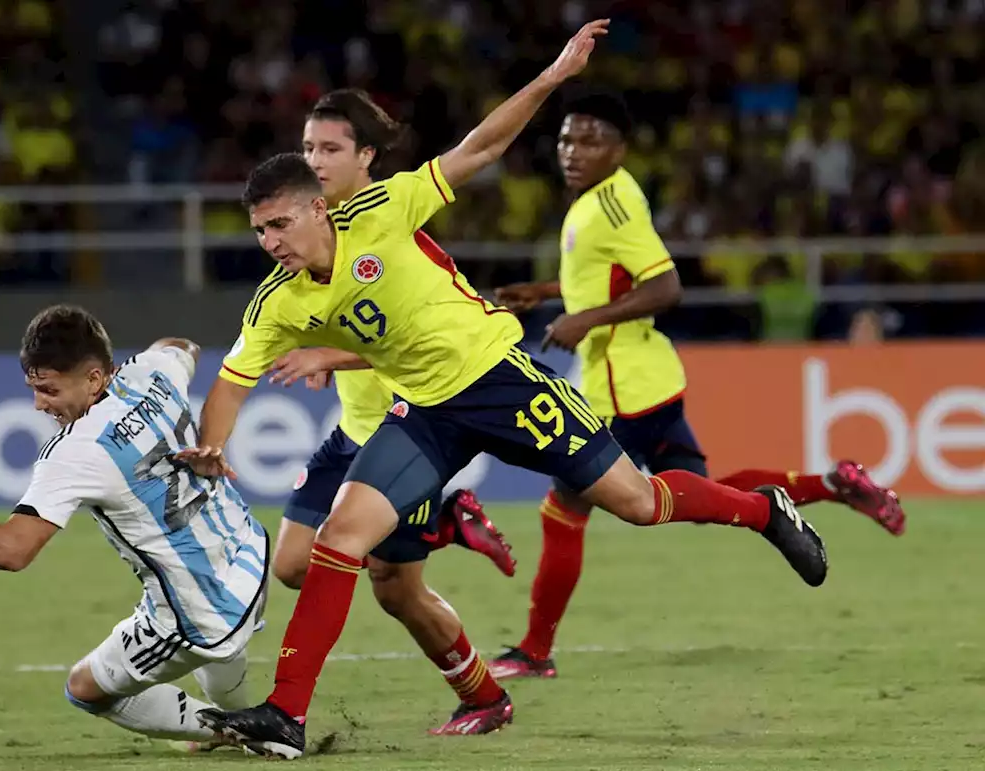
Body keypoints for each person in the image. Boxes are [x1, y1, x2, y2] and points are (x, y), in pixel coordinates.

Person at [177, 20, 827, 759]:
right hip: (426, 411)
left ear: (318, 207)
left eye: (280, 224)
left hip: (500, 380)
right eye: (259, 231)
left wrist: (552, 76)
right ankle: (286, 714)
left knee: (639, 503)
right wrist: (211, 446)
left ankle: (763, 510)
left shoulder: (384, 210)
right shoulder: (278, 300)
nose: (271, 242)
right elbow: (232, 380)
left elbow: (479, 149)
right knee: (340, 539)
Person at [488, 89, 905, 681]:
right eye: (566, 140)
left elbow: (665, 287)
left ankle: (534, 651)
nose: (573, 152)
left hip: (622, 385)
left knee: (564, 508)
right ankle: (833, 485)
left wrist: (581, 320)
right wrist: (549, 292)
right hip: (648, 378)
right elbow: (608, 276)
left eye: (590, 140)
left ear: (620, 149)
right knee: (703, 492)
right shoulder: (599, 201)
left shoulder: (609, 205)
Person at [0, 304, 264, 747]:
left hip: (202, 605)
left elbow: (12, 549)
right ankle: (246, 719)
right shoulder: (151, 373)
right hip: (248, 556)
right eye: (34, 388)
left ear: (95, 379)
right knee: (223, 661)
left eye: (49, 390)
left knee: (86, 688)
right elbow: (181, 346)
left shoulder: (76, 450)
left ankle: (244, 731)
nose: (40, 404)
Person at [269, 88, 517, 736]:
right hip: (353, 429)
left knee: (394, 588)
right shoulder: (308, 227)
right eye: (307, 148)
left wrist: (334, 352)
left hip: (408, 427)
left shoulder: (394, 216)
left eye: (329, 148)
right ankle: (446, 520)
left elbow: (419, 342)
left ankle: (485, 695)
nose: (314, 160)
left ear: (366, 156)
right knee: (294, 563)